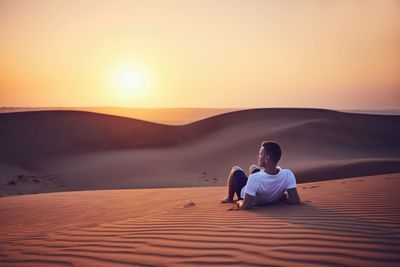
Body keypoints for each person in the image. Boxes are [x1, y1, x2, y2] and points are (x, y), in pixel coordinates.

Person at [221, 141, 300, 209]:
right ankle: (251, 185)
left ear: (267, 158)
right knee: (253, 167)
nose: (259, 157)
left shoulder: (254, 178)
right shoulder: (288, 174)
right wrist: (279, 197)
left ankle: (229, 198)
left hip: (247, 194)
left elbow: (246, 206)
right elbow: (294, 200)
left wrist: (240, 202)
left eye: (260, 154)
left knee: (235, 169)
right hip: (260, 184)